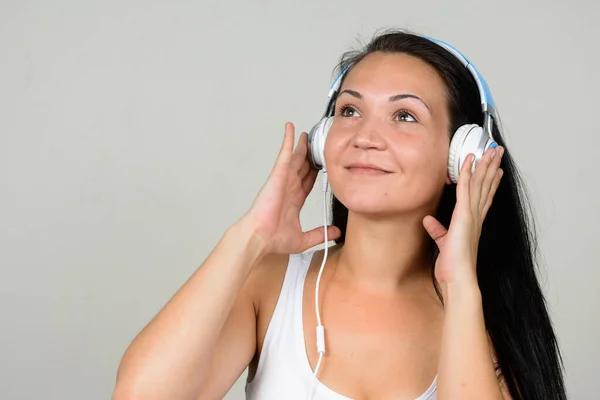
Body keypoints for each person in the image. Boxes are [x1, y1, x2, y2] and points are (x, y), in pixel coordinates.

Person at [112, 30, 567, 400]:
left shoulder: (484, 319)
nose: (365, 136)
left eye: (405, 116)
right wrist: (249, 237)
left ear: (460, 155)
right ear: (323, 140)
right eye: (349, 110)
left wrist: (460, 287)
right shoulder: (270, 286)